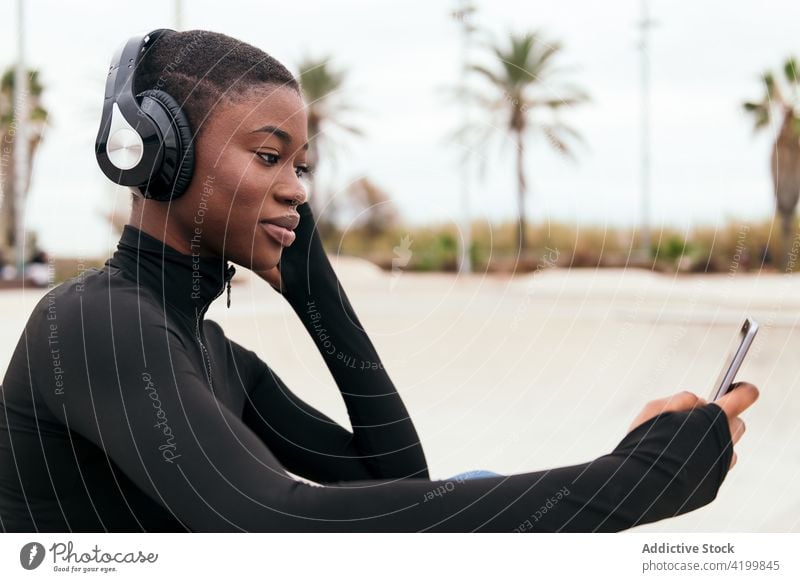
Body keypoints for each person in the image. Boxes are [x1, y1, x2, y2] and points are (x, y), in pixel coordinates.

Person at [0, 29, 758, 533]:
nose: (297, 186)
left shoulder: (207, 349)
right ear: (157, 155)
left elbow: (397, 476)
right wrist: (630, 483)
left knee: (476, 485)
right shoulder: (96, 322)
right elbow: (273, 526)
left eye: (302, 165)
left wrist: (314, 288)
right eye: (269, 156)